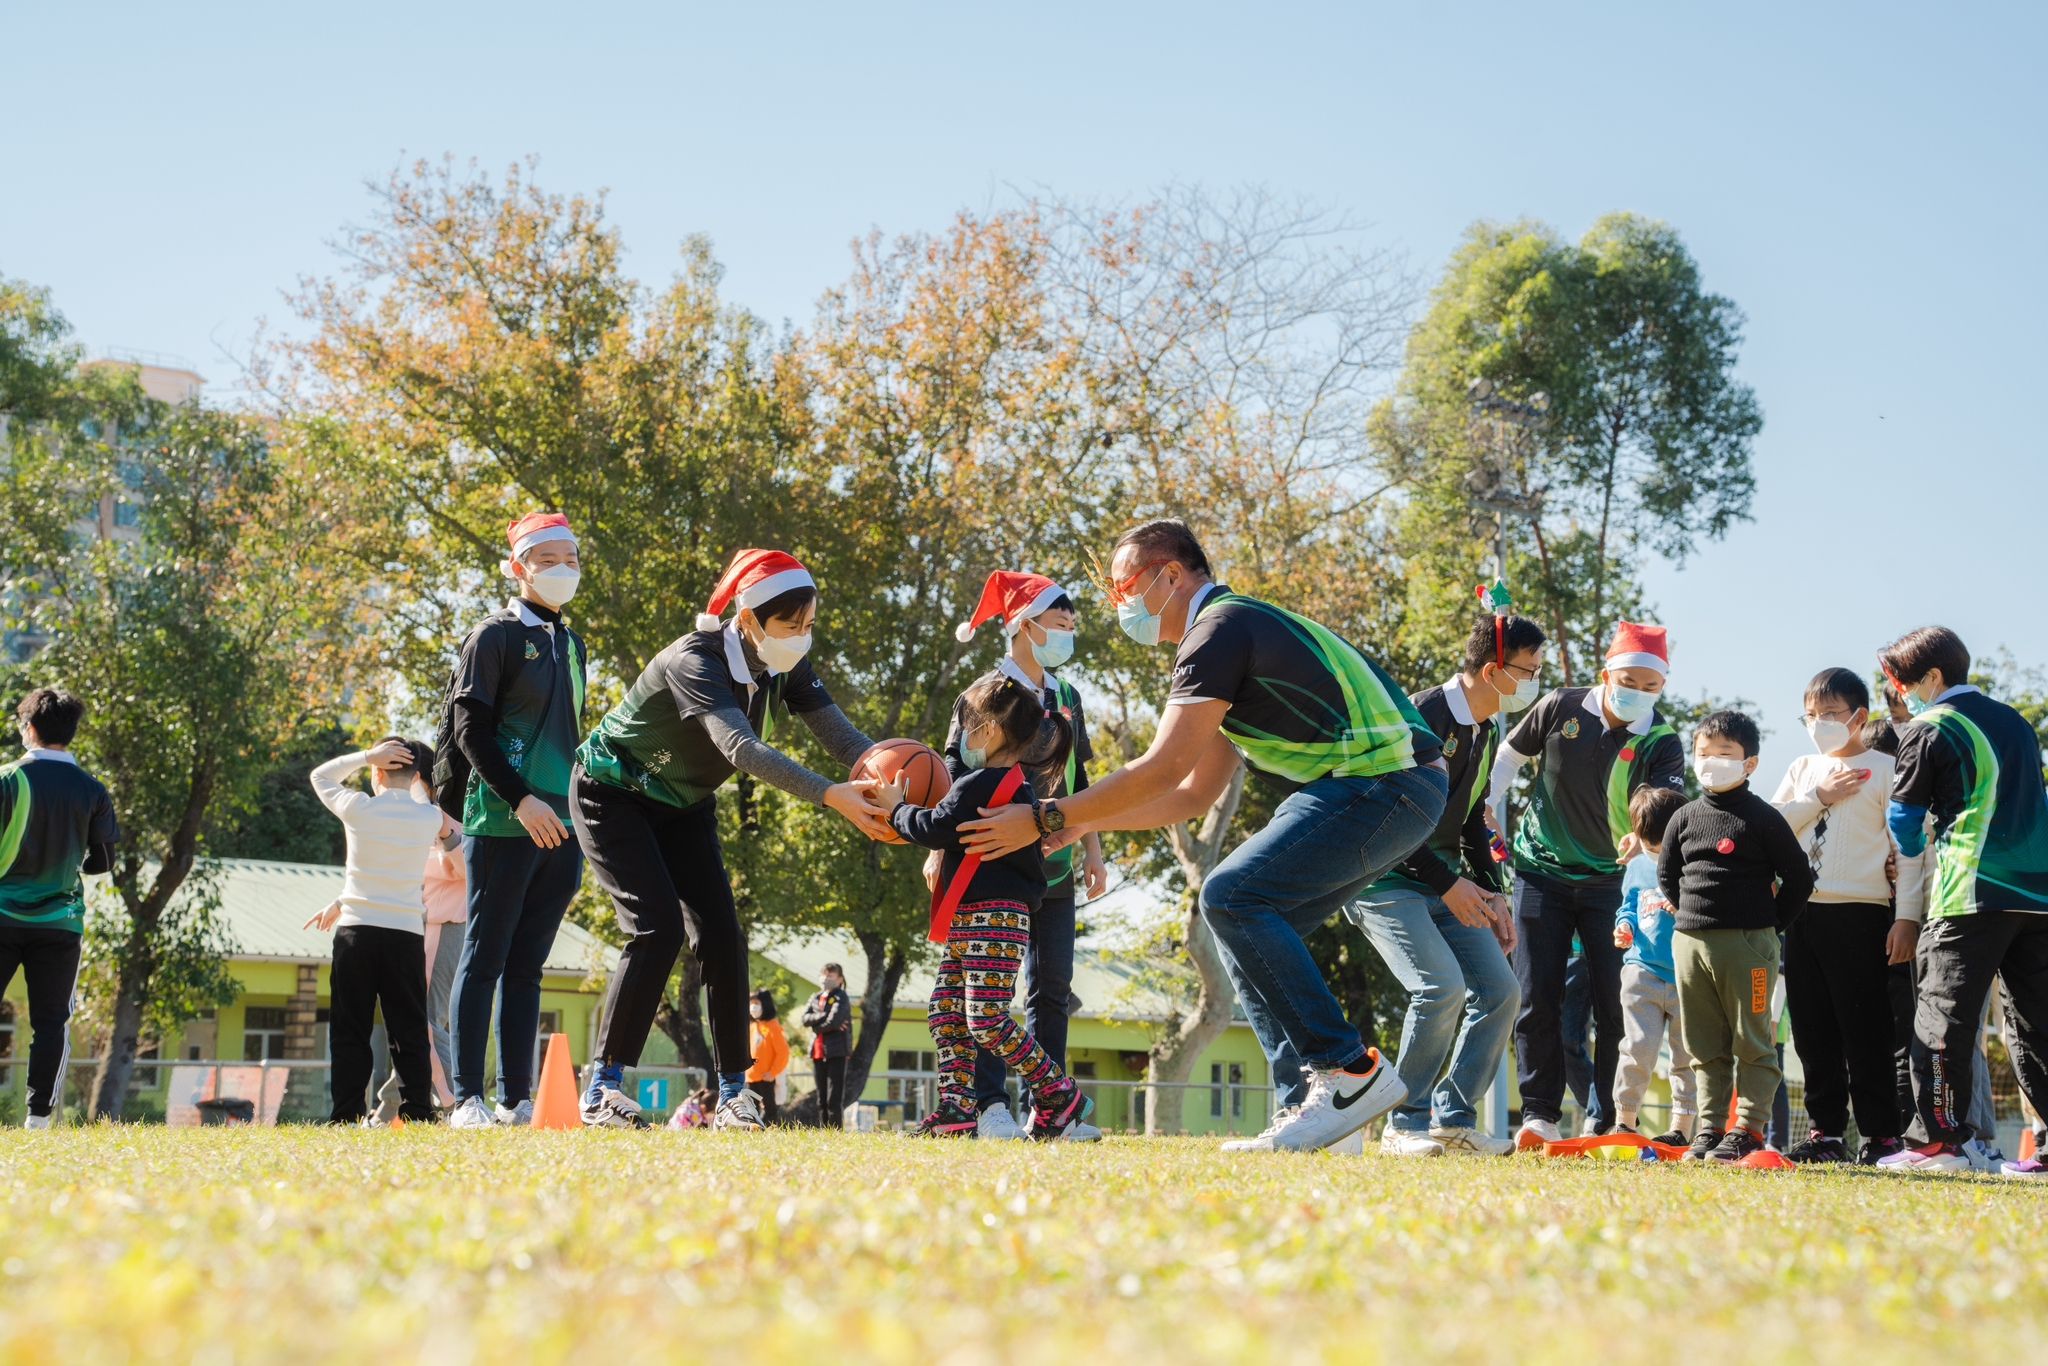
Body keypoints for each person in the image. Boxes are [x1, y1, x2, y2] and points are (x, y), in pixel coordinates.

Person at [960, 519, 1447, 1153]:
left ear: (1170, 576)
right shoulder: (1229, 633)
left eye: (1123, 586)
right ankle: (1316, 1110)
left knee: (1231, 895)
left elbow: (1160, 768)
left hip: (1385, 783)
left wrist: (1047, 816)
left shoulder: (1215, 632)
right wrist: (1081, 822)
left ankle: (1349, 1072)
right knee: (1253, 934)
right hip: (1397, 791)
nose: (1118, 606)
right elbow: (1189, 794)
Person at [571, 548, 895, 1130]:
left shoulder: (786, 665)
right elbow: (740, 749)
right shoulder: (694, 659)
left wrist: (887, 778)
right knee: (656, 928)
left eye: (810, 625)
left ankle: (733, 1094)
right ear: (747, 620)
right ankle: (603, 1088)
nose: (802, 637)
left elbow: (845, 741)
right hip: (612, 793)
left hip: (683, 802)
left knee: (722, 934)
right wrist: (830, 796)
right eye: (790, 626)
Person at [1344, 611, 1542, 1157]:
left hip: (1445, 881)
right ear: (1492, 668)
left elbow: (1476, 814)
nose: (1534, 682)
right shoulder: (1421, 714)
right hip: (1382, 879)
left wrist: (1491, 888)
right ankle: (1403, 1125)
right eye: (1528, 671)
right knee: (1439, 988)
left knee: (1501, 992)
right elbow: (1393, 814)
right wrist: (1451, 884)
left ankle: (1451, 1122)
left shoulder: (1490, 725)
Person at [1488, 621, 1687, 1149]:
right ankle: (1539, 1114)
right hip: (1540, 871)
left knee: (1615, 1003)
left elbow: (1668, 814)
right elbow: (1508, 756)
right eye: (1630, 680)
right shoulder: (1559, 705)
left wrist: (1644, 842)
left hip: (1614, 885)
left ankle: (1605, 1118)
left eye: (1651, 686)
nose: (1639, 693)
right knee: (1536, 997)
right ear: (1607, 674)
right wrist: (1482, 807)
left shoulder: (1662, 741)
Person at [881, 672, 1099, 1140]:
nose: (961, 736)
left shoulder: (980, 783)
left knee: (986, 1020)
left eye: (967, 726)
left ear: (991, 731)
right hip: (970, 918)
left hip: (995, 918)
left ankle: (1060, 1095)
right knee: (945, 1011)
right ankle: (959, 1108)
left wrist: (895, 808)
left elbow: (936, 827)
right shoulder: (1011, 783)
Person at [1871, 627, 2048, 1175]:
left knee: (1943, 1016)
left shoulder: (1930, 725)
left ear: (1931, 678)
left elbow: (1903, 816)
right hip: (2037, 893)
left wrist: (1911, 848)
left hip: (1969, 890)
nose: (1899, 694)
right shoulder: (2016, 720)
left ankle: (1937, 1144)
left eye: (1899, 683)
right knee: (2036, 1023)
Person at [942, 571, 1110, 1140]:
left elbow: (1081, 777)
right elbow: (952, 775)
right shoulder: (981, 695)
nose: (1068, 633)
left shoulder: (1068, 698)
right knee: (988, 991)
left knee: (1052, 987)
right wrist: (939, 852)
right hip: (992, 861)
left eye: (1071, 626)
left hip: (1055, 862)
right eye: (1059, 624)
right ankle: (991, 1107)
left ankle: (1050, 1110)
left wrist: (1093, 846)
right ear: (1024, 625)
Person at [446, 512, 590, 1130]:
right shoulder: (495, 635)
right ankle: (465, 1099)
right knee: (483, 958)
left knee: (528, 966)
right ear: (517, 567)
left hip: (564, 824)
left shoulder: (573, 642)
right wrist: (520, 800)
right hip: (505, 822)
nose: (562, 570)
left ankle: (515, 1097)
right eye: (547, 559)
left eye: (571, 559)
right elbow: (467, 729)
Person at [1768, 667, 1923, 1164]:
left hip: (1863, 914)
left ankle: (1881, 1136)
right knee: (1813, 1032)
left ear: (1860, 716)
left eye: (1830, 714)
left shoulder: (1887, 768)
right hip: (1802, 916)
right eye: (1810, 715)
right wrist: (1819, 797)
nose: (1819, 724)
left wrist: (1907, 918)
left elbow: (1913, 849)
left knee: (1867, 1030)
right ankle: (1825, 1134)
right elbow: (1770, 831)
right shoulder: (1801, 770)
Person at [1657, 710, 1816, 1162]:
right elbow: (1668, 876)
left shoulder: (1764, 818)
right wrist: (1692, 913)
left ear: (1750, 763)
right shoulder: (1683, 817)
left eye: (1724, 754)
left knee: (1753, 1040)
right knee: (1702, 1044)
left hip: (1749, 945)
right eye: (1703, 753)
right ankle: (1709, 1128)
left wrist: (1767, 926)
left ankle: (1747, 1128)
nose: (1711, 762)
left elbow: (1799, 880)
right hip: (1689, 944)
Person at [307, 738, 446, 1126]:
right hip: (405, 936)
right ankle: (418, 1110)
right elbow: (421, 791)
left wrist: (366, 757)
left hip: (356, 933)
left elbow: (321, 775)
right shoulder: (427, 818)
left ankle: (346, 1114)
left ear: (377, 772)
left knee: (351, 1027)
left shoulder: (358, 808)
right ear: (415, 775)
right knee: (409, 1028)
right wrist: (406, 772)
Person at [0, 689, 118, 1130]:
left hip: (2, 915)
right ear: (70, 733)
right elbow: (102, 862)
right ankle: (38, 1118)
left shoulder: (8, 779)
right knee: (51, 1021)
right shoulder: (92, 789)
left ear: (29, 729)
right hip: (60, 923)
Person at [1610, 785, 1693, 1144]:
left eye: (1662, 847)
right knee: (1637, 1048)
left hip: (1686, 977)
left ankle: (1680, 1130)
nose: (1654, 853)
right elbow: (1628, 904)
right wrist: (1624, 924)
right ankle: (1625, 1122)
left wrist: (1684, 909)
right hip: (1641, 970)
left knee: (1685, 1057)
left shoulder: (1692, 864)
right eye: (1648, 845)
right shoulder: (1638, 864)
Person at [801, 963, 854, 1128]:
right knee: (821, 1097)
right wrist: (824, 1016)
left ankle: (835, 1129)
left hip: (836, 1051)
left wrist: (816, 1026)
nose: (826, 979)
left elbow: (836, 1020)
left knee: (834, 1097)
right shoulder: (816, 997)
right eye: (824, 975)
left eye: (831, 976)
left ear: (839, 979)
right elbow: (804, 1018)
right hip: (818, 1051)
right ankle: (824, 1129)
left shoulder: (841, 997)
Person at [747, 989, 790, 1126]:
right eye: (751, 1003)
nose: (753, 1007)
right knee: (751, 1109)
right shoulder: (752, 1026)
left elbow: (783, 1053)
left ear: (765, 1004)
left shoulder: (773, 1027)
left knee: (770, 1109)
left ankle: (771, 1129)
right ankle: (755, 1130)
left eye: (756, 1003)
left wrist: (773, 1072)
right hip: (751, 1076)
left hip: (766, 1077)